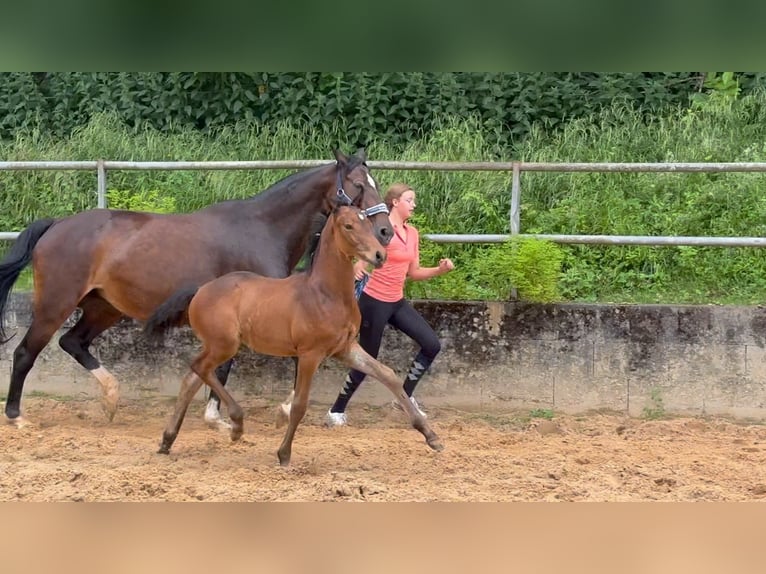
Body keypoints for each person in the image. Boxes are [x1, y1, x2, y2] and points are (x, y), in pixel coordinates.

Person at [325, 182, 455, 427]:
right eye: (409, 200)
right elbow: (361, 262)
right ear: (395, 202)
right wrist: (356, 271)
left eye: (413, 200)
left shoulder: (412, 233)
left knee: (431, 344)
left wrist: (440, 270)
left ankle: (405, 397)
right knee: (367, 359)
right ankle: (336, 410)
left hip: (396, 301)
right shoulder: (381, 231)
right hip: (373, 302)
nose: (414, 204)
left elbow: (413, 272)